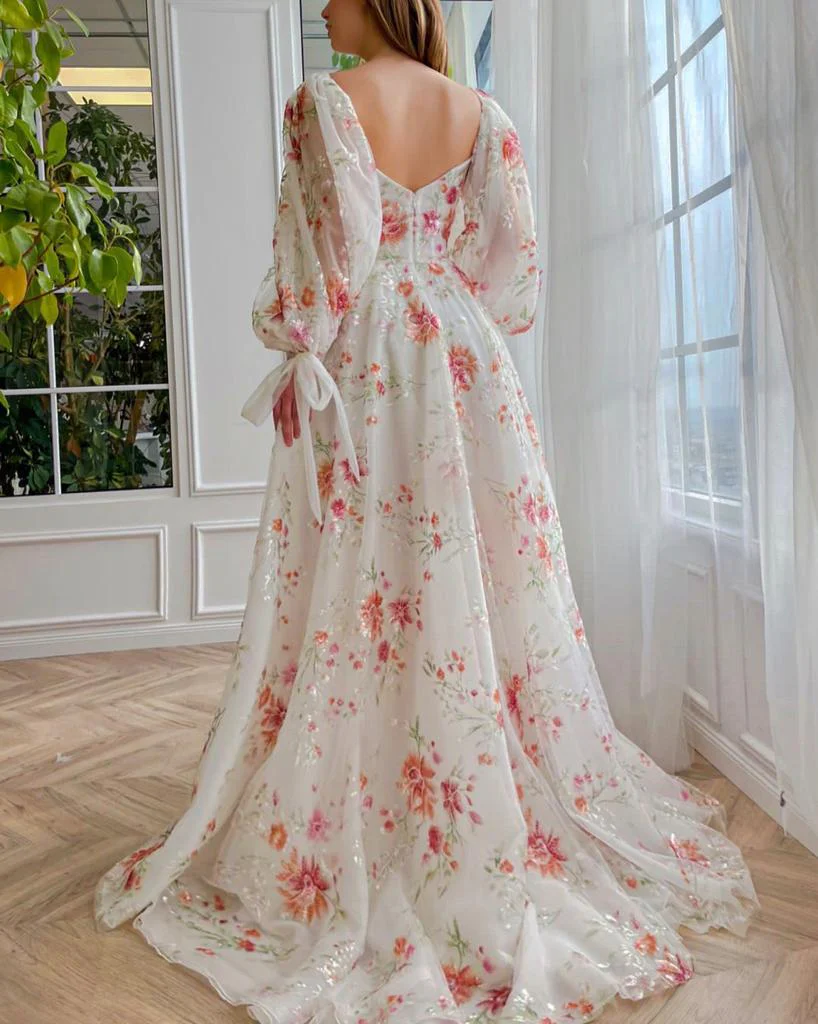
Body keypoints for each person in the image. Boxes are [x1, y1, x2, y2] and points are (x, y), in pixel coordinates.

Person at [94, 1, 758, 1021]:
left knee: (360, 579)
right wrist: (436, 289)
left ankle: (375, 797)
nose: (321, 5)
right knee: (471, 566)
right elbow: (511, 282)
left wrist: (301, 337)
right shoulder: (484, 117)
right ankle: (457, 792)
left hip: (365, 359)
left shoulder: (324, 102)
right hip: (460, 359)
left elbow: (318, 268)